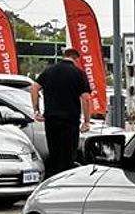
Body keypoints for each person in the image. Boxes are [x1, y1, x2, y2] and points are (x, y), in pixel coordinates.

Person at [29, 49, 93, 177]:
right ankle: (65, 182)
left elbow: (34, 88)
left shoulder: (49, 71)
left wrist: (36, 110)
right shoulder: (79, 73)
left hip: (51, 120)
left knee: (54, 154)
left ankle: (52, 181)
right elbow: (86, 98)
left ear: (64, 57)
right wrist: (86, 121)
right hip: (70, 121)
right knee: (68, 156)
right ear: (76, 59)